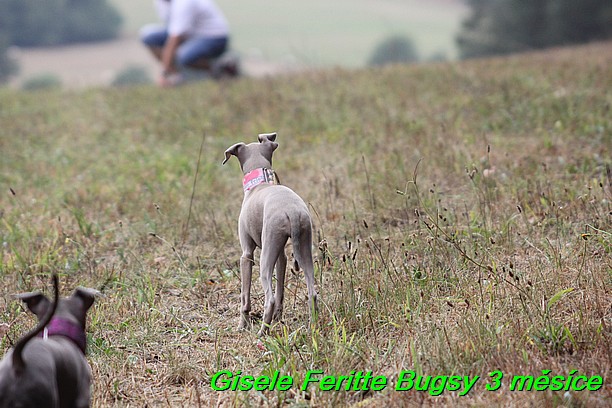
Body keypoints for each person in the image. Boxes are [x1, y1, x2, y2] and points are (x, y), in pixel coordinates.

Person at [140, 0, 233, 86]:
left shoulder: (184, 3)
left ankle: (219, 69)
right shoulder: (161, 2)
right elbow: (172, 28)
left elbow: (174, 38)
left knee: (183, 55)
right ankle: (176, 76)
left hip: (214, 36)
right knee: (148, 36)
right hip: (189, 34)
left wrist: (164, 73)